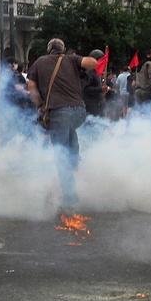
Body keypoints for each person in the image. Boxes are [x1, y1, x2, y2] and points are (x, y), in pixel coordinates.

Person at [26, 38, 98, 207]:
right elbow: (92, 62)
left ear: (49, 49)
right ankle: (75, 164)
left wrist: (40, 106)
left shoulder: (39, 62)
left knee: (61, 156)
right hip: (79, 112)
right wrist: (80, 59)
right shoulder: (71, 59)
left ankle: (69, 197)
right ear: (62, 49)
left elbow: (31, 88)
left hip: (59, 113)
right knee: (70, 142)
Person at [82, 50, 106, 117]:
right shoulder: (89, 72)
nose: (103, 62)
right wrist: (100, 89)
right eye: (101, 60)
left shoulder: (97, 72)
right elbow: (86, 89)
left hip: (98, 105)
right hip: (91, 106)